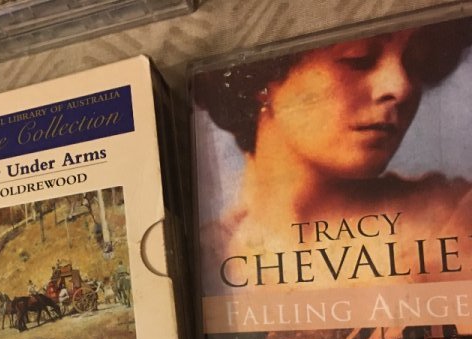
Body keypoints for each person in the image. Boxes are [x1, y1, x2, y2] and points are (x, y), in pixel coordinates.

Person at [196, 18, 472, 293]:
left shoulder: (453, 222)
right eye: (359, 59)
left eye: (416, 63)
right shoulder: (205, 260)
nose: (401, 87)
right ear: (260, 81)